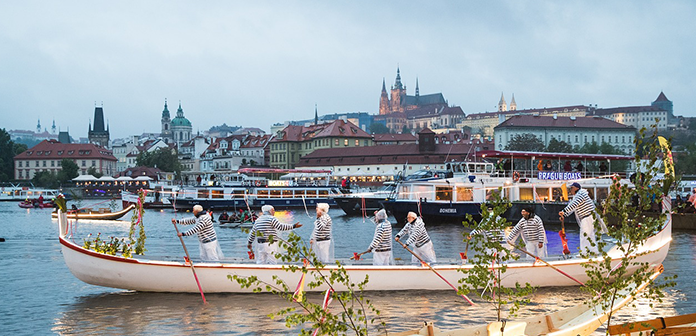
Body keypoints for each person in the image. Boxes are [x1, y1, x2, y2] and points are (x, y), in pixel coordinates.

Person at [559, 182, 605, 254]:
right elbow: (573, 207)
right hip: (589, 217)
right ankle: (593, 251)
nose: (570, 190)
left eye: (572, 188)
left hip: (587, 217)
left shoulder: (581, 194)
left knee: (584, 235)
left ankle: (584, 252)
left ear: (577, 188)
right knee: (589, 234)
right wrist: (564, 214)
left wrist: (564, 212)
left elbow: (574, 204)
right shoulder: (579, 195)